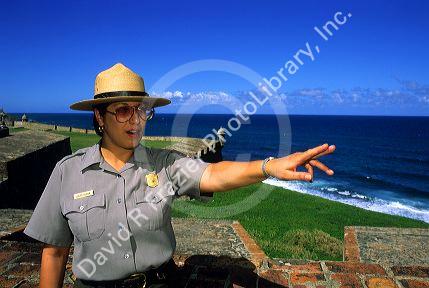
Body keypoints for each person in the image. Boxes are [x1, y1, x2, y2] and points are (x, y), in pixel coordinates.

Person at [24, 63, 336, 288]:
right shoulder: (69, 171)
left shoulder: (166, 164)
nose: (136, 120)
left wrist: (268, 166)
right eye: (123, 110)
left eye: (142, 109)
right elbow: (54, 252)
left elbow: (214, 174)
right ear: (99, 117)